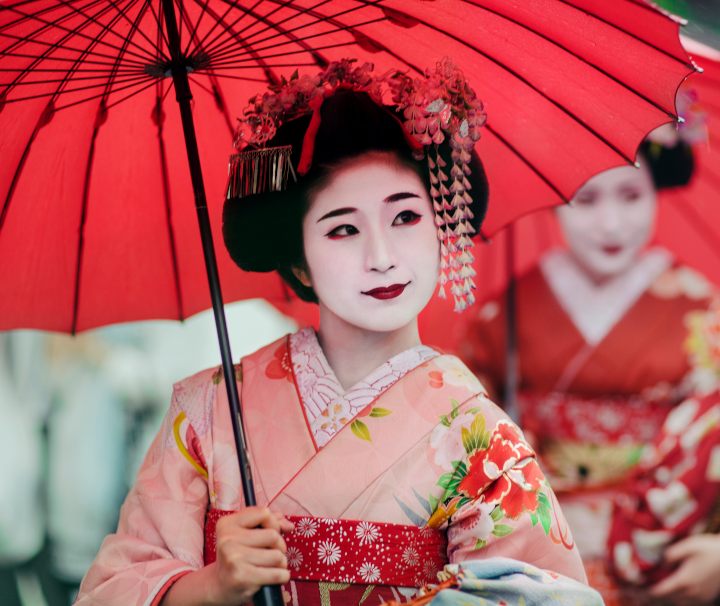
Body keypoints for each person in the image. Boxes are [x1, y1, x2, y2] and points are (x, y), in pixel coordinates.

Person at [75, 60, 601, 605]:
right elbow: (109, 590)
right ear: (299, 263)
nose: (381, 258)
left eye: (405, 218)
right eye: (343, 229)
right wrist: (211, 585)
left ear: (443, 229)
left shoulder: (482, 439)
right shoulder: (207, 413)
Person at [457, 121, 720, 604]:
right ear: (554, 199)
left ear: (657, 189)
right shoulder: (507, 313)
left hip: (664, 546)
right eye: (587, 199)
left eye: (630, 195)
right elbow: (464, 436)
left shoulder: (703, 311)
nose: (612, 223)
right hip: (535, 547)